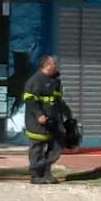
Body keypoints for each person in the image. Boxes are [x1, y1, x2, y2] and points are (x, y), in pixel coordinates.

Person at [22, 54, 70, 185]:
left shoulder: (55, 81)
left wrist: (68, 114)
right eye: (54, 64)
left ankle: (46, 171)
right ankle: (36, 175)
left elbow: (58, 100)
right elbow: (30, 100)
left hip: (54, 121)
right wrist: (39, 115)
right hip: (38, 123)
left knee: (57, 146)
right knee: (37, 148)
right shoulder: (35, 81)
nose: (56, 66)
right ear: (47, 66)